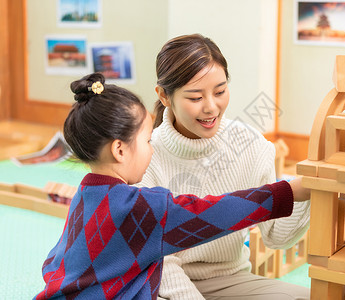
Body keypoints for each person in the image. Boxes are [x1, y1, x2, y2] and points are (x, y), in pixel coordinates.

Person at [33, 73, 309, 300]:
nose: (152, 150)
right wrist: (290, 191)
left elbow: (54, 264)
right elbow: (217, 213)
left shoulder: (84, 194)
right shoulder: (140, 206)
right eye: (147, 142)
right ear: (119, 150)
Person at [138, 34, 311, 300]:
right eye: (195, 97)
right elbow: (160, 260)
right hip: (161, 284)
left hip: (231, 281)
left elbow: (276, 236)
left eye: (220, 92)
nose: (211, 107)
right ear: (164, 96)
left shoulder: (252, 146)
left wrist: (313, 189)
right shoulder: (145, 157)